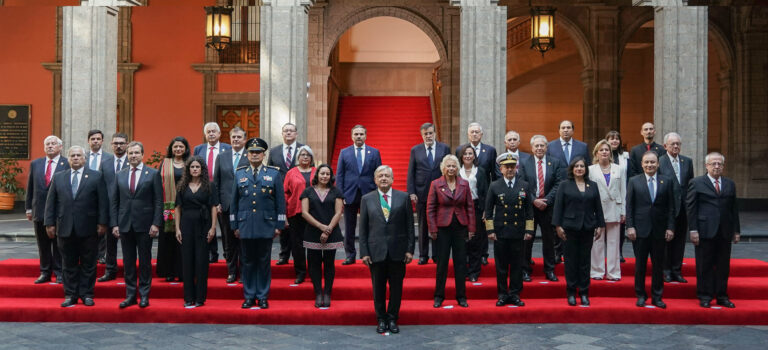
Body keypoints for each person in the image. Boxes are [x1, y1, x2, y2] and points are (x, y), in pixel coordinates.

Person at [44, 146, 108, 307]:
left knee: (89, 263)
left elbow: (103, 202)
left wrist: (102, 223)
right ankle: (70, 294)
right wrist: (49, 223)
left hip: (89, 228)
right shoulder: (59, 177)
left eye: (79, 155)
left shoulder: (96, 176)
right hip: (65, 228)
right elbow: (50, 203)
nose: (76, 158)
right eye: (72, 156)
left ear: (84, 159)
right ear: (68, 158)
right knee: (68, 263)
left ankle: (87, 294)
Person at [359, 165, 415, 334]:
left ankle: (392, 318)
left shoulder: (403, 197)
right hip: (376, 252)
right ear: (375, 180)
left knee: (397, 288)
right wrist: (364, 252)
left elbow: (410, 227)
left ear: (392, 179)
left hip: (398, 251)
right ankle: (381, 319)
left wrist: (410, 249)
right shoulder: (367, 199)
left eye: (387, 176)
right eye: (380, 176)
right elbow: (363, 229)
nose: (383, 178)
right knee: (378, 288)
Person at [231, 138, 286, 309]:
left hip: (266, 224)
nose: (255, 155)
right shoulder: (240, 173)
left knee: (263, 262)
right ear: (247, 154)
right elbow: (234, 202)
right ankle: (249, 296)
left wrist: (279, 225)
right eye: (252, 152)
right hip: (245, 225)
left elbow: (280, 202)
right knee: (246, 262)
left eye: (258, 152)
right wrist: (234, 226)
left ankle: (262, 296)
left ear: (264, 154)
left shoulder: (274, 173)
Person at [110, 141, 163, 309]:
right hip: (125, 225)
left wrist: (156, 223)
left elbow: (158, 201)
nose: (133, 156)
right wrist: (114, 224)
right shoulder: (120, 174)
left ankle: (144, 295)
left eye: (136, 153)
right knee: (128, 262)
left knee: (145, 262)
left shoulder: (153, 174)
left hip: (145, 225)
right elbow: (115, 202)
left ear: (142, 155)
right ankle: (131, 295)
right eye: (130, 153)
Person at [687, 152, 739, 308]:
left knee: (723, 266)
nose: (716, 166)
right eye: (713, 163)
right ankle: (705, 295)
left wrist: (736, 230)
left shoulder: (730, 184)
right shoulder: (696, 183)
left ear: (723, 166)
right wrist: (693, 230)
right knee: (704, 265)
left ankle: (722, 296)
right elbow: (691, 208)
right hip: (704, 230)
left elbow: (733, 209)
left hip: (724, 231)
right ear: (706, 166)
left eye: (719, 164)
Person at [553, 157, 606, 306]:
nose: (579, 168)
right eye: (576, 166)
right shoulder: (564, 185)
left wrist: (601, 225)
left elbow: (598, 207)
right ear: (572, 169)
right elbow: (558, 207)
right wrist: (558, 226)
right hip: (569, 228)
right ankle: (571, 292)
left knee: (584, 262)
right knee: (570, 262)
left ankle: (584, 292)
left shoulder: (593, 185)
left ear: (585, 169)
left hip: (588, 228)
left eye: (582, 166)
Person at [626, 151, 675, 309]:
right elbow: (629, 206)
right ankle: (640, 295)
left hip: (660, 231)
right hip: (640, 231)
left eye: (653, 162)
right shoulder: (634, 181)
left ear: (658, 164)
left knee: (658, 265)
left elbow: (671, 208)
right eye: (646, 162)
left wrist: (670, 227)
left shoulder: (666, 181)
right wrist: (630, 226)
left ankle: (657, 296)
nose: (650, 165)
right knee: (640, 265)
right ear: (642, 164)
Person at [484, 153, 533, 307]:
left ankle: (515, 294)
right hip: (501, 232)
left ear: (516, 168)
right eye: (507, 167)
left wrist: (529, 231)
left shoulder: (524, 185)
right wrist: (490, 231)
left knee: (517, 265)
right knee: (501, 266)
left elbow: (529, 211)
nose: (510, 169)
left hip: (518, 232)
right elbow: (488, 211)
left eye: (513, 166)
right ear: (501, 169)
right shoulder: (495, 186)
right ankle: (502, 294)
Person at [427, 154, 474, 309]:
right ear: (443, 168)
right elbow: (431, 208)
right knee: (442, 264)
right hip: (442, 229)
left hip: (460, 228)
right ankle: (438, 296)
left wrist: (471, 228)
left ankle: (461, 296)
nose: (451, 168)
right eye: (449, 166)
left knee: (461, 264)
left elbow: (469, 207)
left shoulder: (464, 184)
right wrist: (432, 228)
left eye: (454, 166)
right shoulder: (435, 184)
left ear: (457, 168)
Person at [518, 135, 564, 282]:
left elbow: (558, 184)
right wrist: (534, 200)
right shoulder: (525, 163)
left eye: (542, 145)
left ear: (546, 147)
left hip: (548, 207)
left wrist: (547, 200)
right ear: (532, 148)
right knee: (527, 240)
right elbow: (522, 184)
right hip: (530, 209)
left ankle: (549, 269)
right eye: (536, 146)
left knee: (549, 240)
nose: (539, 148)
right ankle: (525, 270)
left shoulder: (555, 162)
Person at [174, 156, 218, 307]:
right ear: (188, 169)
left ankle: (200, 298)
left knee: (201, 262)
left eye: (197, 167)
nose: (194, 169)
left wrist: (213, 227)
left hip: (203, 225)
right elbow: (177, 208)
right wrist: (177, 228)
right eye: (192, 167)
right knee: (187, 262)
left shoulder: (209, 186)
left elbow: (213, 207)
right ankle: (188, 298)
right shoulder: (182, 186)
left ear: (202, 169)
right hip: (186, 224)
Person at [26, 135, 70, 284]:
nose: (50, 146)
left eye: (53, 144)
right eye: (47, 144)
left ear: (60, 147)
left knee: (59, 244)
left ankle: (59, 272)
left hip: (59, 212)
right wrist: (28, 208)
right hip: (39, 210)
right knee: (43, 244)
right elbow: (30, 187)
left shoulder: (67, 163)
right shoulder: (36, 163)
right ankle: (45, 272)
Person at [336, 124, 382, 265]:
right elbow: (340, 175)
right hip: (350, 194)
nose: (359, 136)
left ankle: (367, 254)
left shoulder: (374, 152)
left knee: (368, 226)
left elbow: (379, 174)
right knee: (349, 227)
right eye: (356, 134)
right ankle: (350, 255)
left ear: (365, 136)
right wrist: (340, 195)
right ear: (352, 136)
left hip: (369, 194)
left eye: (361, 134)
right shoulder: (344, 152)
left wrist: (378, 193)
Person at [406, 122, 451, 265]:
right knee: (423, 225)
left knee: (439, 224)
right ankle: (423, 255)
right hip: (421, 193)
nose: (428, 136)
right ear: (422, 135)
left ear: (435, 134)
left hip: (441, 194)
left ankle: (437, 255)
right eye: (425, 134)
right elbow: (411, 173)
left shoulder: (444, 148)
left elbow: (449, 169)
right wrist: (411, 192)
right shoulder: (415, 150)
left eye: (430, 133)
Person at [301, 164, 344, 308]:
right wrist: (321, 227)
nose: (325, 176)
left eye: (327, 174)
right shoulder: (307, 191)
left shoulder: (336, 191)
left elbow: (338, 213)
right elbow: (304, 213)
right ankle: (318, 292)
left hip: (331, 232)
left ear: (331, 176)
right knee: (313, 263)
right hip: (313, 231)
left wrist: (328, 229)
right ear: (317, 175)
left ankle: (327, 292)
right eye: (322, 173)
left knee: (329, 263)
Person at [547, 120, 590, 262]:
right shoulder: (551, 146)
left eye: (568, 128)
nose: (566, 130)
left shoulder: (582, 146)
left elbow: (587, 167)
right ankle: (557, 251)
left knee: (573, 219)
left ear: (573, 130)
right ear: (559, 130)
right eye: (563, 128)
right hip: (558, 188)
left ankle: (570, 251)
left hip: (578, 189)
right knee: (557, 220)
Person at [214, 127, 249, 283]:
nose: (235, 139)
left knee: (243, 240)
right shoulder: (222, 157)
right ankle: (231, 271)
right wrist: (217, 203)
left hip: (245, 205)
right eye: (233, 137)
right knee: (228, 240)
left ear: (244, 139)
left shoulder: (251, 156)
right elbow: (216, 182)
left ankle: (243, 271)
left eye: (239, 137)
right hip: (226, 205)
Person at [193, 122, 232, 263]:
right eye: (208, 131)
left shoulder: (228, 148)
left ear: (219, 133)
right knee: (208, 223)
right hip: (204, 191)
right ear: (205, 134)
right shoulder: (198, 149)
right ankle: (212, 253)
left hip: (221, 191)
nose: (211, 134)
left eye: (214, 131)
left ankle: (228, 253)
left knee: (225, 226)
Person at [658, 132, 694, 283]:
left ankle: (676, 270)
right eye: (672, 144)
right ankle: (665, 270)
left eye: (678, 144)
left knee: (679, 241)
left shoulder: (687, 161)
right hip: (666, 209)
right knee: (666, 241)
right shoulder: (659, 161)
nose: (675, 146)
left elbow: (690, 184)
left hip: (683, 208)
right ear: (665, 146)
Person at [267, 123, 305, 266]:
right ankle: (284, 255)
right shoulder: (274, 151)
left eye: (291, 131)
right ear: (282, 134)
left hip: (298, 194)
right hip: (279, 193)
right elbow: (270, 171)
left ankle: (298, 255)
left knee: (297, 226)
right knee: (282, 224)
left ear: (296, 134)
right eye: (286, 131)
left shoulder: (303, 150)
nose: (288, 133)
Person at [588, 140, 626, 281]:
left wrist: (623, 211)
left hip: (614, 208)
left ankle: (613, 272)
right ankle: (597, 271)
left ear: (610, 153)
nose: (604, 152)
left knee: (613, 243)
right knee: (597, 242)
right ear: (596, 153)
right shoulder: (591, 170)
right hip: (597, 210)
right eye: (601, 150)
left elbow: (623, 191)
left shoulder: (619, 168)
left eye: (606, 150)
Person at [156, 136, 189, 283]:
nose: (178, 149)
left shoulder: (190, 163)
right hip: (168, 207)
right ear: (171, 148)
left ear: (186, 148)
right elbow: (158, 184)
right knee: (169, 240)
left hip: (186, 207)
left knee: (183, 240)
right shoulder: (165, 163)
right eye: (175, 147)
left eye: (181, 146)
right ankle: (169, 271)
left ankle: (183, 271)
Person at [98, 132, 129, 282]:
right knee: (110, 243)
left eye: (122, 143)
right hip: (110, 210)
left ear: (127, 144)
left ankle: (129, 271)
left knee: (129, 243)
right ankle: (110, 270)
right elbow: (101, 188)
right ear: (111, 145)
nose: (118, 146)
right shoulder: (105, 163)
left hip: (128, 211)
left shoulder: (133, 160)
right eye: (115, 143)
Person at [283, 146, 316, 284]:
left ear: (311, 158)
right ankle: (300, 272)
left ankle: (314, 272)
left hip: (315, 214)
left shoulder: (318, 171)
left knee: (314, 244)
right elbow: (285, 193)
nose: (305, 157)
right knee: (297, 245)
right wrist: (284, 214)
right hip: (295, 212)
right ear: (298, 157)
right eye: (302, 154)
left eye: (308, 155)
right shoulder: (291, 173)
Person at [457, 144, 488, 282]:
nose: (468, 156)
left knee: (476, 240)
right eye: (465, 154)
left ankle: (474, 271)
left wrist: (486, 210)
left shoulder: (480, 171)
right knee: (462, 241)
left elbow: (486, 191)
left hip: (476, 207)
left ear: (474, 156)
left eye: (470, 153)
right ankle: (463, 271)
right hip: (460, 208)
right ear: (461, 157)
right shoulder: (457, 171)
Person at [86, 129, 113, 265]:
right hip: (86, 198)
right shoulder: (82, 156)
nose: (95, 141)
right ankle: (88, 254)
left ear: (102, 141)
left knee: (103, 226)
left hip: (104, 196)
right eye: (93, 139)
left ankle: (102, 255)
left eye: (98, 139)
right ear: (88, 141)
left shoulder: (110, 158)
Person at [605, 130, 629, 263]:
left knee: (620, 225)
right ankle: (605, 252)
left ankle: (618, 252)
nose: (614, 141)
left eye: (617, 139)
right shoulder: (603, 154)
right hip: (606, 194)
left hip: (620, 194)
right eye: (611, 139)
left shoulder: (625, 156)